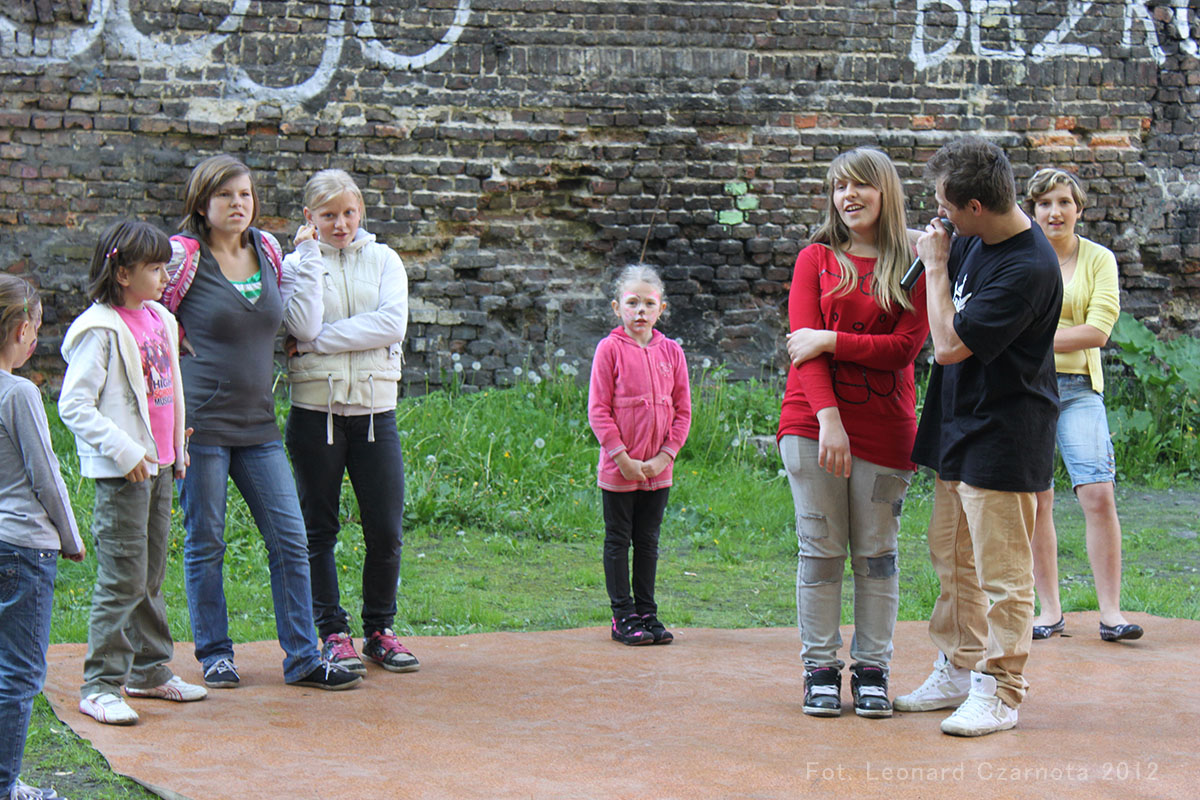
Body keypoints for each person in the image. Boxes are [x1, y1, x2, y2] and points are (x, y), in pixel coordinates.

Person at [169, 154, 360, 691]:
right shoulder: (182, 257)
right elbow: (144, 313)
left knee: (290, 539)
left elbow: (292, 316)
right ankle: (215, 654)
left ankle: (303, 658)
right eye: (225, 195)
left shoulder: (269, 251)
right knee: (206, 541)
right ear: (202, 204)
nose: (238, 204)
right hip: (199, 426)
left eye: (245, 194)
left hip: (258, 425)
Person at [895, 137, 1061, 737]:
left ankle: (1001, 691)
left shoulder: (1027, 266)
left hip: (1005, 432)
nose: (938, 216)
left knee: (1002, 575)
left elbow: (947, 345)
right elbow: (925, 255)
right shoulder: (973, 235)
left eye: (945, 205)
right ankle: (959, 667)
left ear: (975, 206)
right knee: (953, 559)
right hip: (957, 421)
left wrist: (937, 267)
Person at [777, 148, 930, 718]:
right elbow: (803, 348)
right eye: (840, 187)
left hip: (887, 429)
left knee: (877, 554)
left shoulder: (915, 263)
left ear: (886, 192)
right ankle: (819, 669)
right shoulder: (815, 258)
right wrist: (830, 419)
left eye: (861, 185)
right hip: (812, 423)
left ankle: (872, 670)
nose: (848, 196)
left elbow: (904, 349)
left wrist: (832, 339)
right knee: (820, 551)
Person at [59, 221, 207, 726]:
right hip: (125, 475)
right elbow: (74, 406)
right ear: (122, 273)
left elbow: (169, 392)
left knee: (150, 575)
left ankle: (148, 670)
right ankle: (100, 685)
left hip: (160, 467)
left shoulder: (160, 318)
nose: (166, 277)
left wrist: (176, 449)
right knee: (122, 577)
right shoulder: (98, 329)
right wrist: (125, 452)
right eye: (155, 268)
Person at [281, 169, 418, 674]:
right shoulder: (296, 263)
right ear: (309, 217)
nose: (340, 224)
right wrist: (308, 260)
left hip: (376, 414)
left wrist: (318, 342)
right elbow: (301, 323)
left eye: (348, 213)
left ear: (360, 212)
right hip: (315, 413)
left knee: (386, 529)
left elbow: (391, 324)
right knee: (318, 530)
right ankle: (333, 633)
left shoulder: (385, 260)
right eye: (328, 215)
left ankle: (379, 630)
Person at [1023, 168, 1142, 643]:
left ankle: (1110, 613)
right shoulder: (1020, 255)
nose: (1054, 212)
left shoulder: (1098, 259)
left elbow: (1098, 330)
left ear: (1079, 209)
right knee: (1037, 500)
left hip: (1078, 389)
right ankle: (1049, 611)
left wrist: (1027, 340)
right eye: (1045, 203)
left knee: (1098, 493)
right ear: (1033, 211)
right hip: (1026, 388)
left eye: (1064, 202)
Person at [0, 275, 85, 800]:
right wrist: (70, 538)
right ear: (21, 329)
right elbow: (47, 476)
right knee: (18, 673)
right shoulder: (20, 393)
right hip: (23, 547)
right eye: (35, 326)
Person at [587, 264, 691, 645]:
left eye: (649, 303)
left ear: (661, 308)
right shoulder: (609, 350)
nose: (640, 311)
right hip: (620, 469)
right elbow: (598, 411)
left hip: (658, 471)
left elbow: (683, 412)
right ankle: (623, 616)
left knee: (648, 541)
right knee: (619, 540)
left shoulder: (672, 352)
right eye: (632, 303)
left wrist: (664, 458)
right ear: (617, 307)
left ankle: (647, 612)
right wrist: (623, 460)